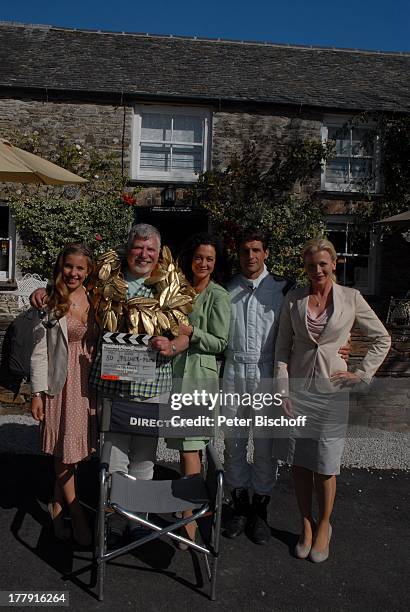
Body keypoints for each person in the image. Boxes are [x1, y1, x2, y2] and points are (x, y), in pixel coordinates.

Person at [31, 224, 189, 546]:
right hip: (112, 386)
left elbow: (185, 331)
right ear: (127, 249)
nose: (143, 254)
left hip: (150, 387)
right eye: (138, 247)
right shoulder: (106, 280)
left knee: (144, 458)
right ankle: (116, 519)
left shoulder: (170, 283)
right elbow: (64, 301)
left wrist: (173, 346)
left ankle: (139, 520)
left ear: (159, 254)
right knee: (113, 456)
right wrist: (43, 291)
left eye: (151, 250)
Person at [273, 237, 391, 562]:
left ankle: (324, 524)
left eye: (322, 264)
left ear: (333, 263)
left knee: (325, 464)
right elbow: (282, 349)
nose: (317, 270)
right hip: (297, 394)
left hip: (333, 393)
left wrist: (361, 373)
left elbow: (382, 338)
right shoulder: (294, 300)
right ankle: (305, 524)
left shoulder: (351, 298)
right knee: (298, 462)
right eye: (311, 265)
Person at [222, 228, 294, 545]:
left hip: (267, 371)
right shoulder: (226, 289)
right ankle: (239, 505)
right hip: (234, 371)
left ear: (265, 253)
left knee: (265, 447)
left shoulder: (283, 289)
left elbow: (312, 320)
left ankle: (260, 509)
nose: (250, 256)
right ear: (237, 254)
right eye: (244, 251)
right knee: (234, 442)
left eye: (256, 250)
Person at [30, 243, 97, 546]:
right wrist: (36, 393)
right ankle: (76, 512)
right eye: (69, 266)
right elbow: (39, 351)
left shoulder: (96, 297)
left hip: (86, 381)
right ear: (61, 266)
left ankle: (57, 503)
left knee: (74, 451)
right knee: (63, 450)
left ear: (88, 270)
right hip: (60, 382)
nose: (73, 273)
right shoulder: (51, 299)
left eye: (80, 268)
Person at [168, 232, 231, 544]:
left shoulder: (218, 295)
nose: (203, 263)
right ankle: (198, 505)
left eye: (209, 259)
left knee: (192, 445)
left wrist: (192, 332)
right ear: (190, 258)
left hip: (199, 377)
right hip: (175, 374)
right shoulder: (179, 289)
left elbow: (221, 341)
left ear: (216, 263)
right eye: (199, 257)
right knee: (184, 446)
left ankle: (189, 519)